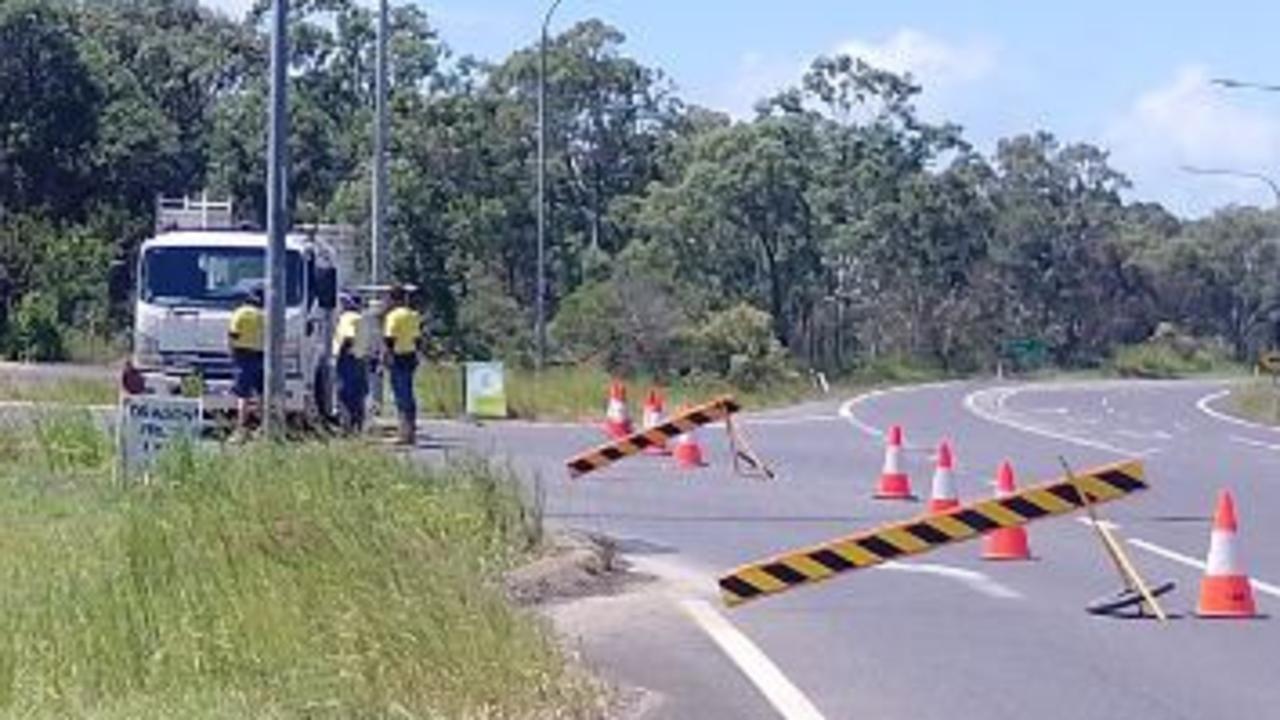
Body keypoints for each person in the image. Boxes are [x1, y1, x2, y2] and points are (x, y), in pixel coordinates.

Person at [382, 284, 421, 445]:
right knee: (409, 393)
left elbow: (390, 338)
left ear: (393, 299)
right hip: (410, 355)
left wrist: (387, 355)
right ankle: (410, 429)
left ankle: (404, 433)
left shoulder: (393, 316)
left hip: (397, 356)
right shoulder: (413, 315)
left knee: (400, 395)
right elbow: (417, 338)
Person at [228, 286, 265, 438]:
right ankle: (264, 426)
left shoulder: (240, 313)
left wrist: (230, 351)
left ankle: (241, 428)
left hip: (242, 356)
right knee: (263, 393)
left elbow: (233, 334)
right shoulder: (262, 315)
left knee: (243, 395)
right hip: (260, 355)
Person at [333, 293, 367, 433]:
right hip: (359, 358)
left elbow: (348, 337)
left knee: (345, 393)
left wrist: (339, 354)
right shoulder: (360, 318)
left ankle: (348, 426)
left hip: (348, 359)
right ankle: (358, 424)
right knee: (358, 394)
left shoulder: (348, 318)